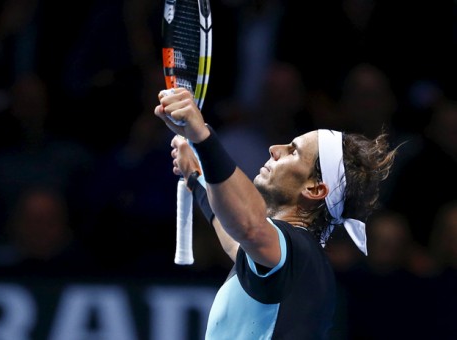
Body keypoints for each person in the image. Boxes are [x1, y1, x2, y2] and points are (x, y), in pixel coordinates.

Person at [153, 87, 399, 338]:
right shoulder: (289, 259)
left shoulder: (295, 249)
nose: (274, 148)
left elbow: (248, 225)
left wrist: (203, 137)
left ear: (314, 189)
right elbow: (233, 232)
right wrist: (196, 176)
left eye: (293, 151)